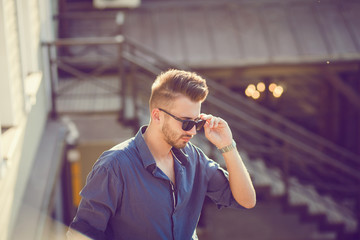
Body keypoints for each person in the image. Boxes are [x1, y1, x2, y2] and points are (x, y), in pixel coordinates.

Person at [67, 69, 256, 240]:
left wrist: (227, 145)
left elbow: (246, 200)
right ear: (157, 116)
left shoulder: (195, 159)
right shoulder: (114, 166)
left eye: (197, 122)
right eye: (186, 123)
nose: (193, 132)